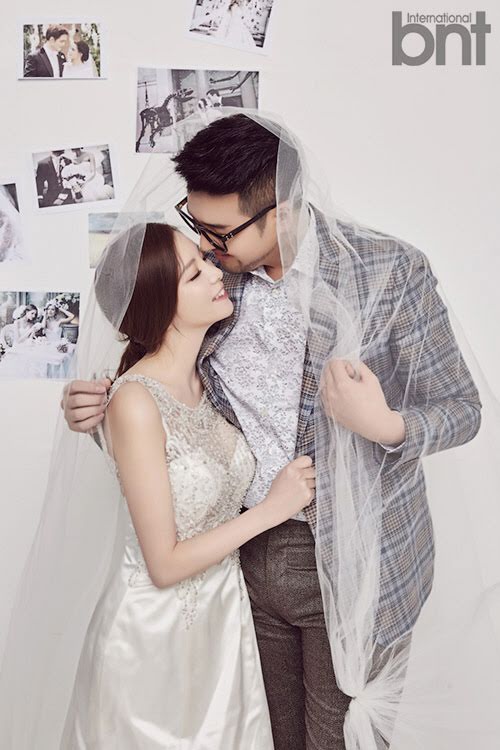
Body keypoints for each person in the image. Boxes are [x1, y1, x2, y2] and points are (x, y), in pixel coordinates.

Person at [61, 112, 486, 750]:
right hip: (240, 567)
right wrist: (97, 414)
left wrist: (389, 425)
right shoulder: (210, 280)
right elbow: (166, 397)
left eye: (220, 232)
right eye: (196, 224)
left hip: (359, 565)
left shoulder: (389, 271)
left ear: (281, 211)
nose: (207, 246)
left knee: (341, 741)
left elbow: (462, 407)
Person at [59, 220, 315, 747]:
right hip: (152, 638)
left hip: (223, 627)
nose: (215, 273)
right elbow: (165, 562)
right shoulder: (135, 401)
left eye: (206, 262)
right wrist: (271, 510)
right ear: (160, 304)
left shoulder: (211, 377)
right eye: (194, 274)